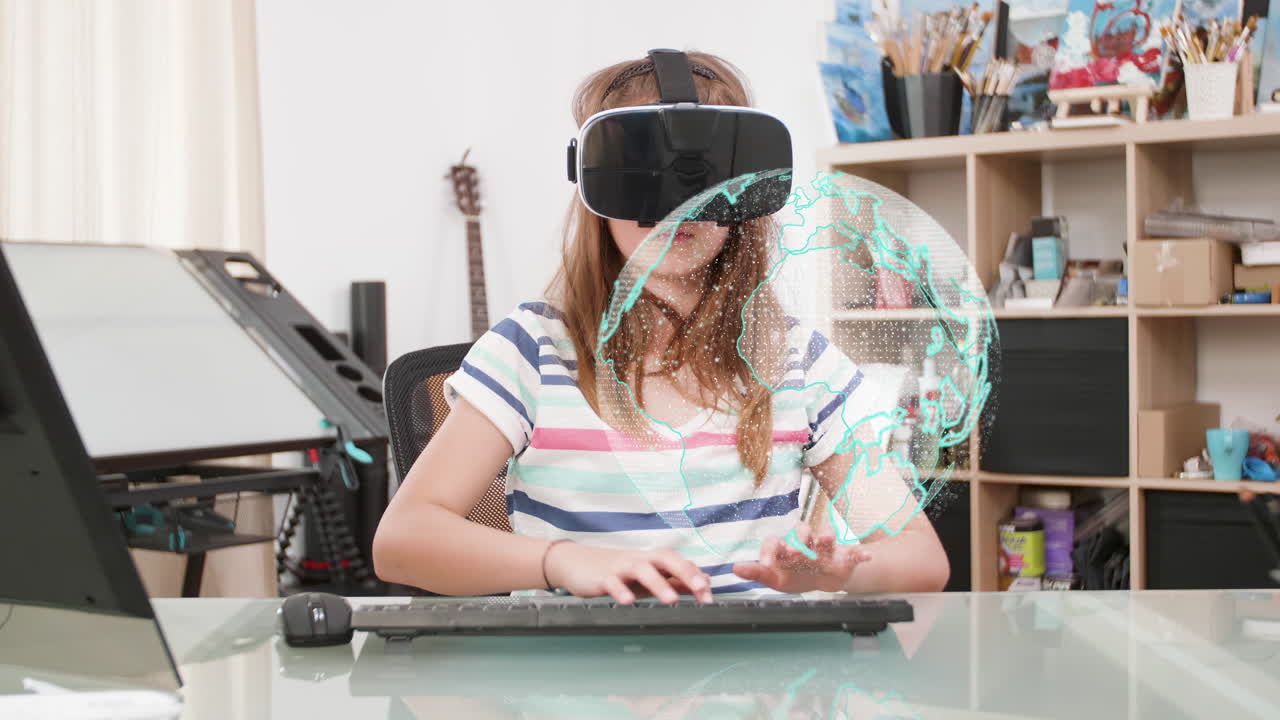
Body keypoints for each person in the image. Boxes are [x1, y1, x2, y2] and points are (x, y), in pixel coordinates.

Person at [373, 51, 950, 604]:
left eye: (704, 177)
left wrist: (836, 574)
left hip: (753, 687)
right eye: (647, 172)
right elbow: (403, 543)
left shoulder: (798, 362)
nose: (679, 207)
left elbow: (922, 559)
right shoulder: (532, 352)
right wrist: (560, 560)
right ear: (596, 184)